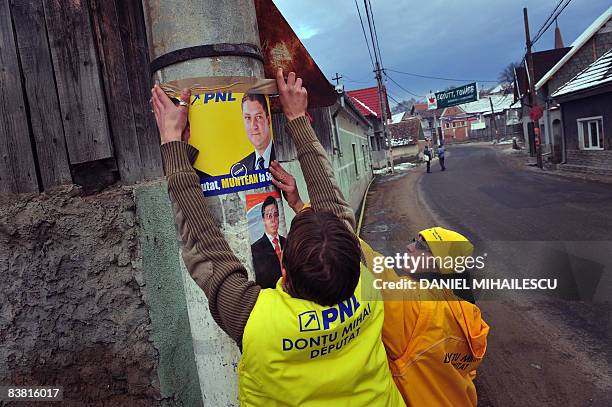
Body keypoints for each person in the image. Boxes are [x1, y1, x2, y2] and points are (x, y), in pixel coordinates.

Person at [151, 69, 404, 406]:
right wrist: (174, 148)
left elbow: (204, 244)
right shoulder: (366, 283)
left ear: (284, 270)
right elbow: (207, 248)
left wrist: (172, 144)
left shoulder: (257, 322)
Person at [270, 151, 489, 406]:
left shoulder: (415, 308)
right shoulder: (467, 315)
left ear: (442, 267)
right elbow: (465, 371)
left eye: (422, 247)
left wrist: (301, 207)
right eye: (416, 240)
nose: (410, 247)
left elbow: (355, 251)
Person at [232, 93, 276, 176]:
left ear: (268, 120)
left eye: (258, 117)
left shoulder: (284, 159)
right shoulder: (239, 170)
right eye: (248, 118)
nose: (253, 126)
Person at [250, 195, 286, 289]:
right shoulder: (255, 250)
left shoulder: (288, 242)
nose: (273, 220)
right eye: (269, 216)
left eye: (276, 215)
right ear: (263, 220)